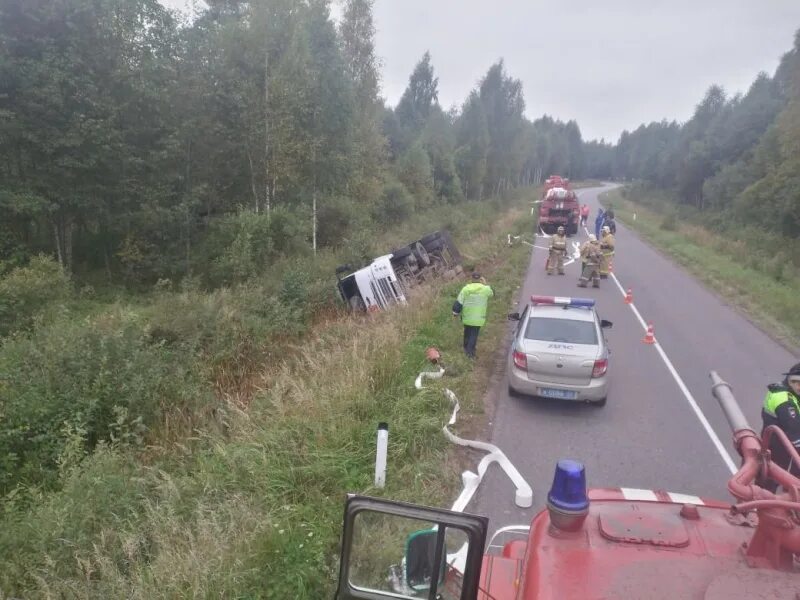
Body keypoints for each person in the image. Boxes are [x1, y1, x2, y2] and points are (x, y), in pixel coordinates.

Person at [760, 363, 800, 491]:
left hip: (772, 440)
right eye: (797, 382)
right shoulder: (785, 401)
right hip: (778, 445)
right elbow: (795, 434)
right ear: (790, 380)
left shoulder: (782, 389)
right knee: (774, 476)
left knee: (769, 475)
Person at [452, 272, 494, 358]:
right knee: (473, 335)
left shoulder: (465, 289)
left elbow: (458, 303)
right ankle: (470, 353)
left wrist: (455, 313)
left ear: (471, 279)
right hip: (478, 318)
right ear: (480, 279)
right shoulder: (485, 289)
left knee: (467, 332)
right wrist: (485, 284)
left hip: (467, 317)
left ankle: (466, 348)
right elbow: (492, 293)